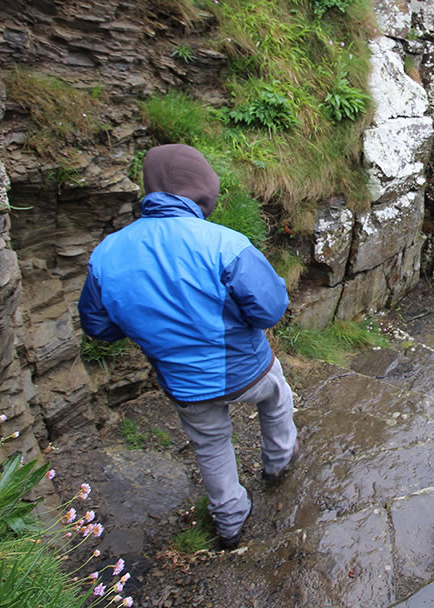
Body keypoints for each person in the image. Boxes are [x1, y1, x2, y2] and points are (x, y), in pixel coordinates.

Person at [78, 143, 299, 550]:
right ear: (202, 188)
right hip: (245, 367)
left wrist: (148, 326)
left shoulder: (106, 254)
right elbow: (270, 308)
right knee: (277, 396)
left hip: (184, 383)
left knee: (211, 444)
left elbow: (98, 327)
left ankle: (230, 522)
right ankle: (279, 462)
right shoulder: (224, 244)